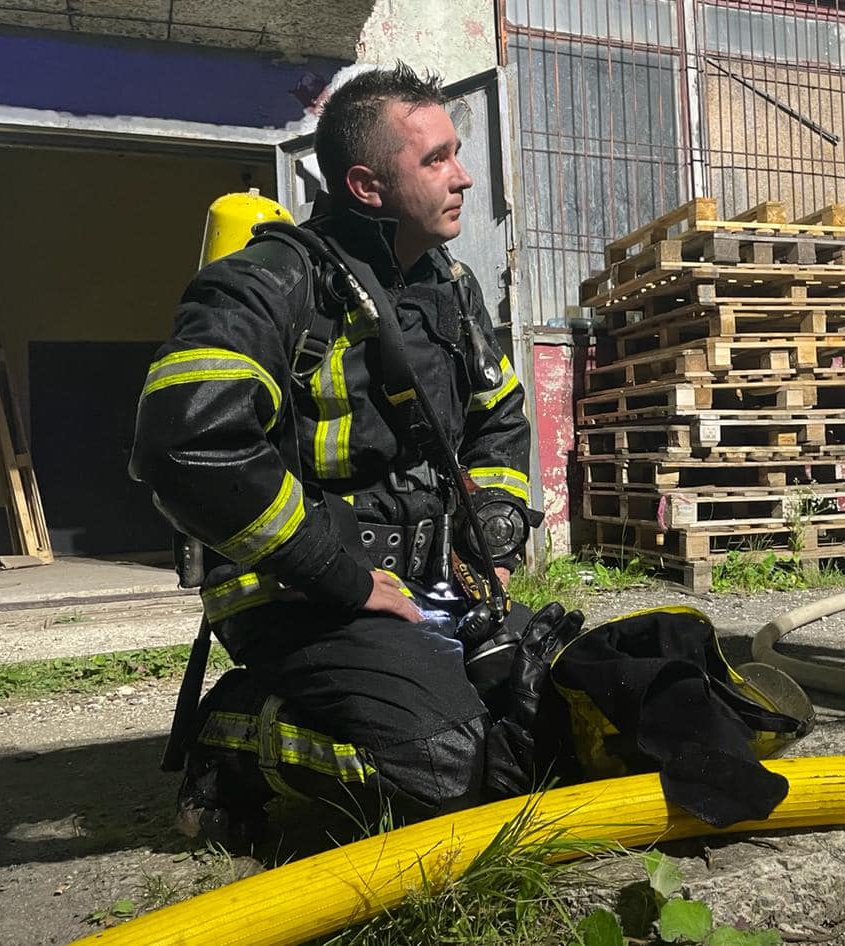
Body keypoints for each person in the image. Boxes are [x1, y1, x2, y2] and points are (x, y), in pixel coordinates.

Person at [129, 63, 576, 844]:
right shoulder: (265, 285)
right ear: (367, 186)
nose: (464, 176)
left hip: (429, 581)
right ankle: (233, 734)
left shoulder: (448, 286)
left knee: (554, 705)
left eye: (455, 153)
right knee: (448, 767)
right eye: (435, 159)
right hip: (294, 594)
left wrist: (495, 537)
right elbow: (185, 443)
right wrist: (337, 576)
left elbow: (498, 412)